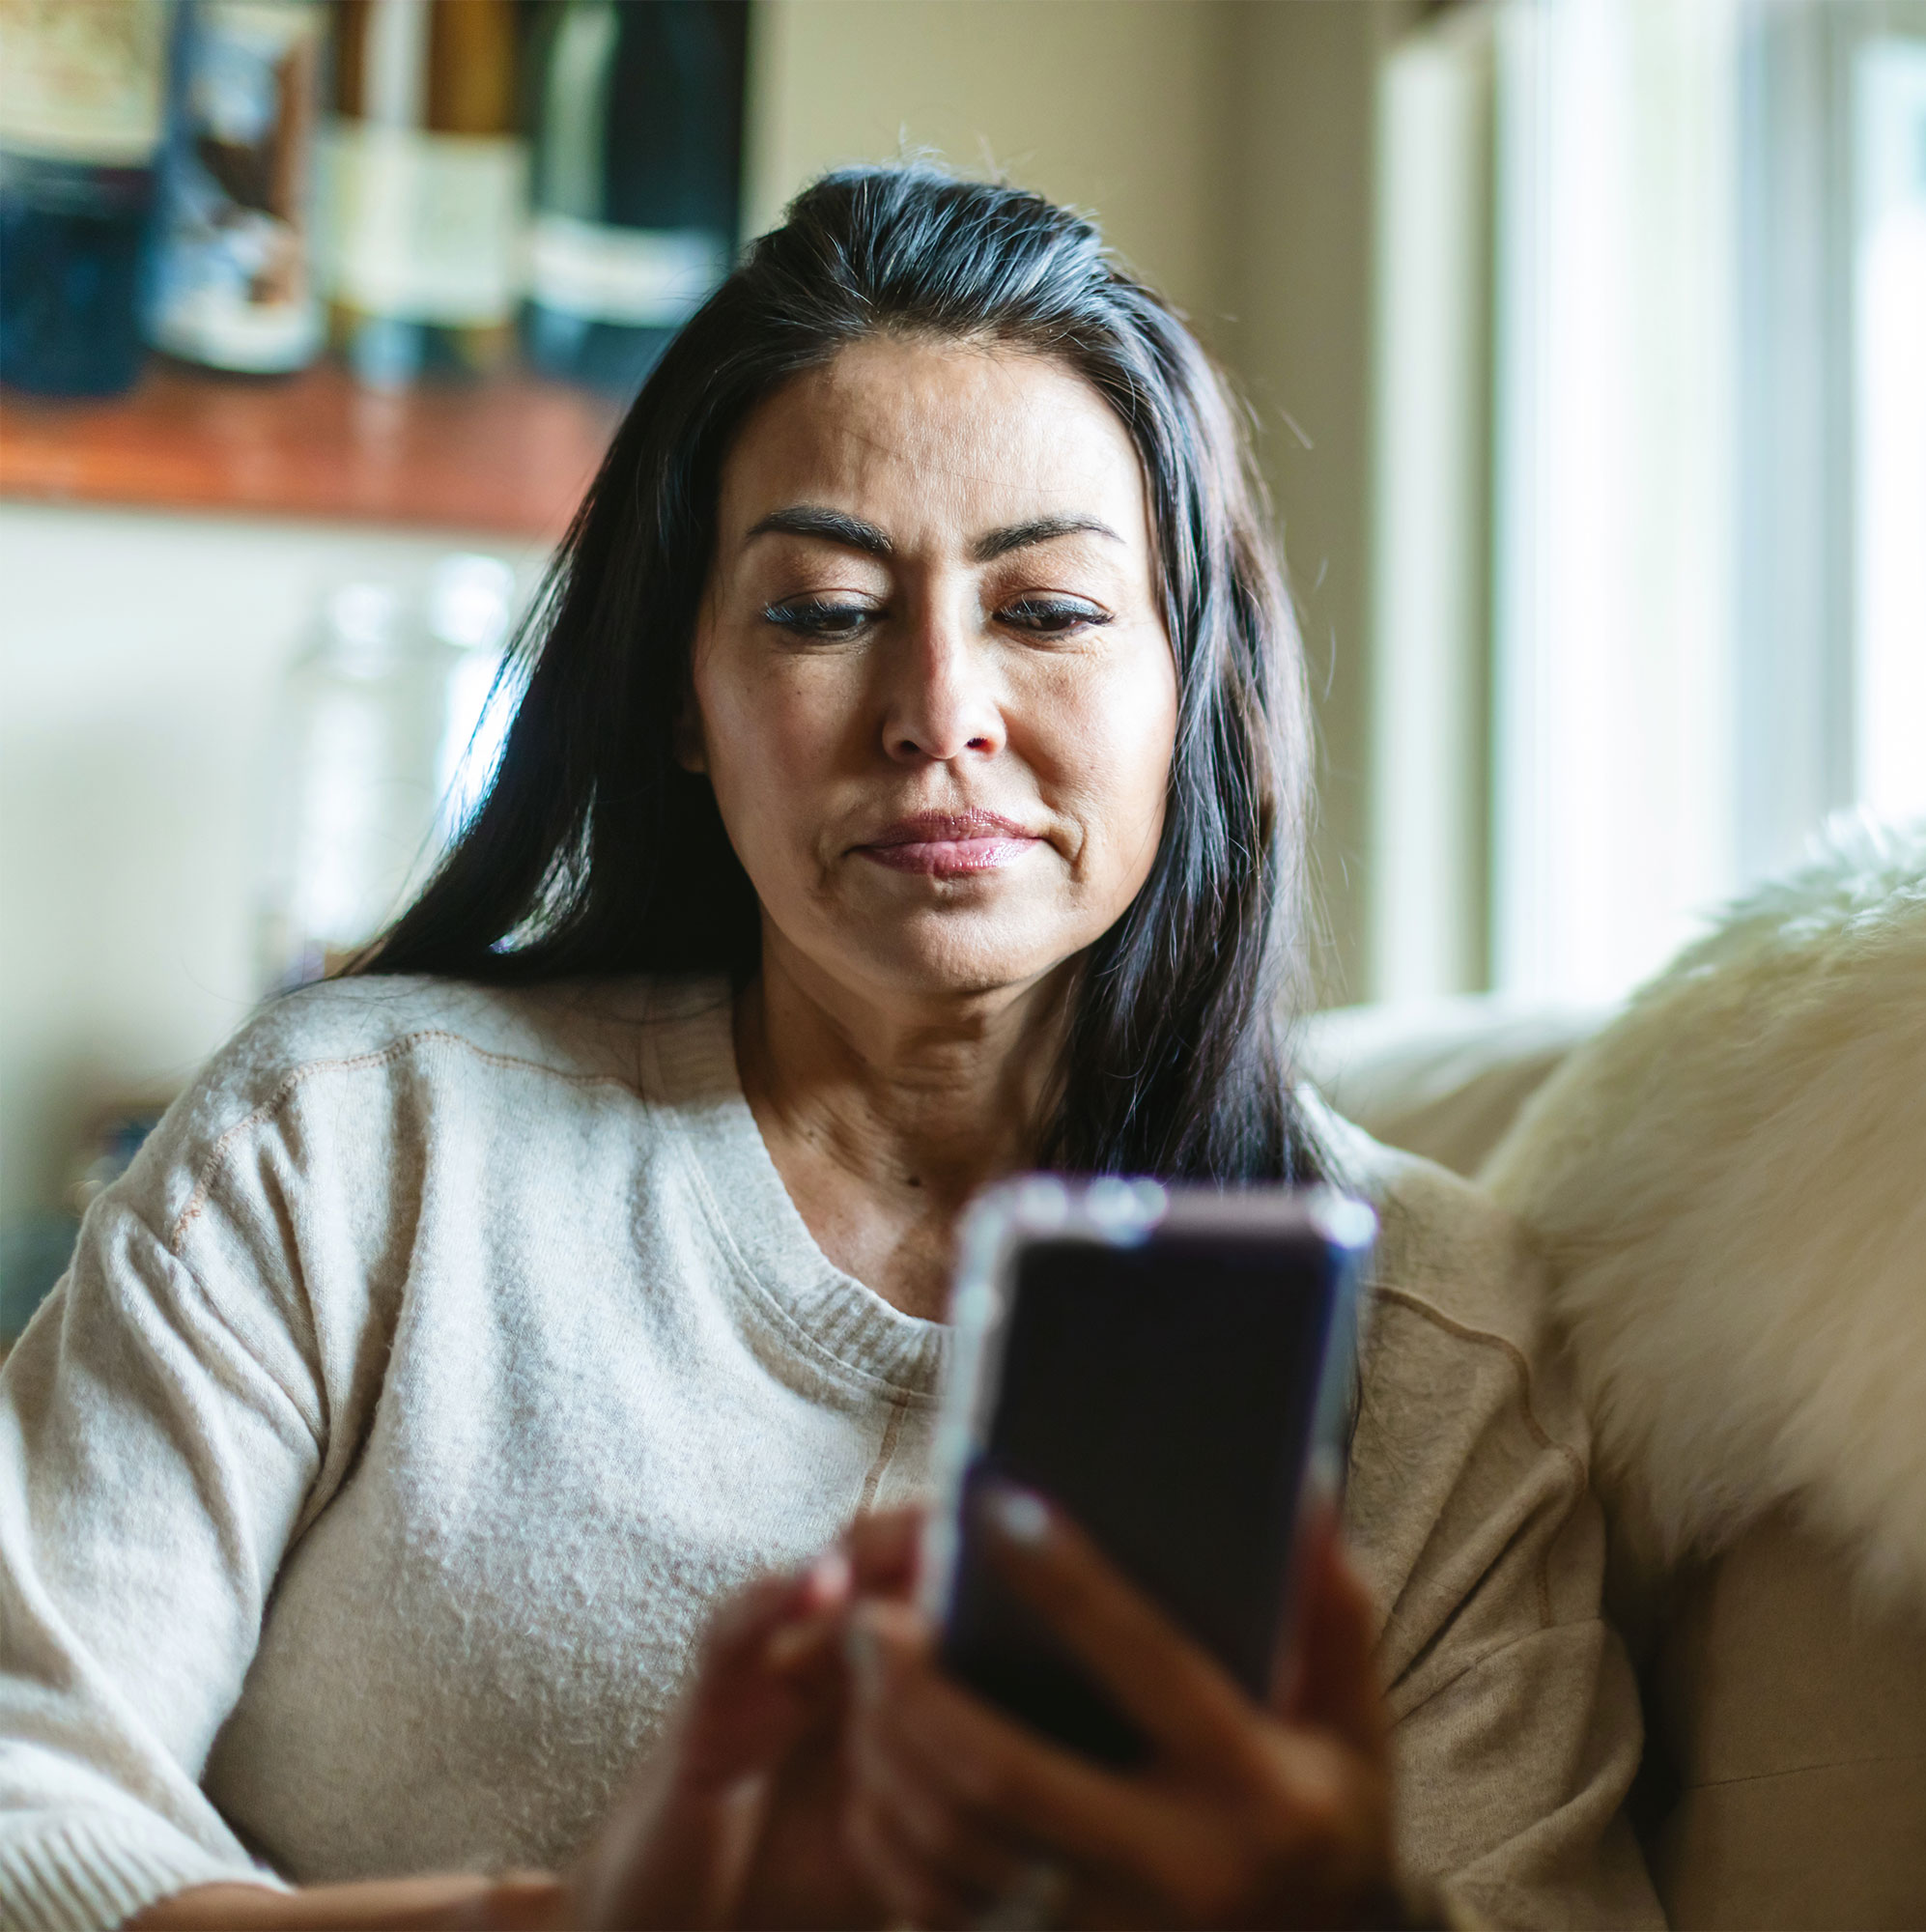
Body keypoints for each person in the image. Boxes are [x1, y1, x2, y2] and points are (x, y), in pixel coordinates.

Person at [0, 167, 1659, 1932]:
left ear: (1197, 688)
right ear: (685, 697)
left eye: (1050, 611)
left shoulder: (1429, 1339)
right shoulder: (348, 1143)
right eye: (823, 610)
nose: (940, 710)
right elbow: (33, 1798)